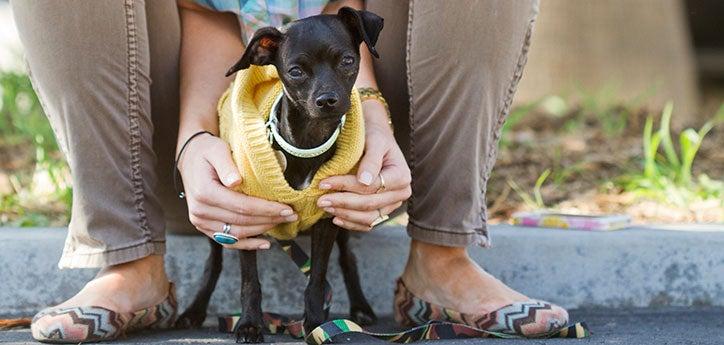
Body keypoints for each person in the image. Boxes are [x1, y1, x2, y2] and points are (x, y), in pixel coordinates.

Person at [11, 0, 567, 342]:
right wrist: (196, 137)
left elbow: (345, 18)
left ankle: (442, 257)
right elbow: (207, 15)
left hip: (381, 155)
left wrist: (371, 111)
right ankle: (129, 260)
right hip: (180, 153)